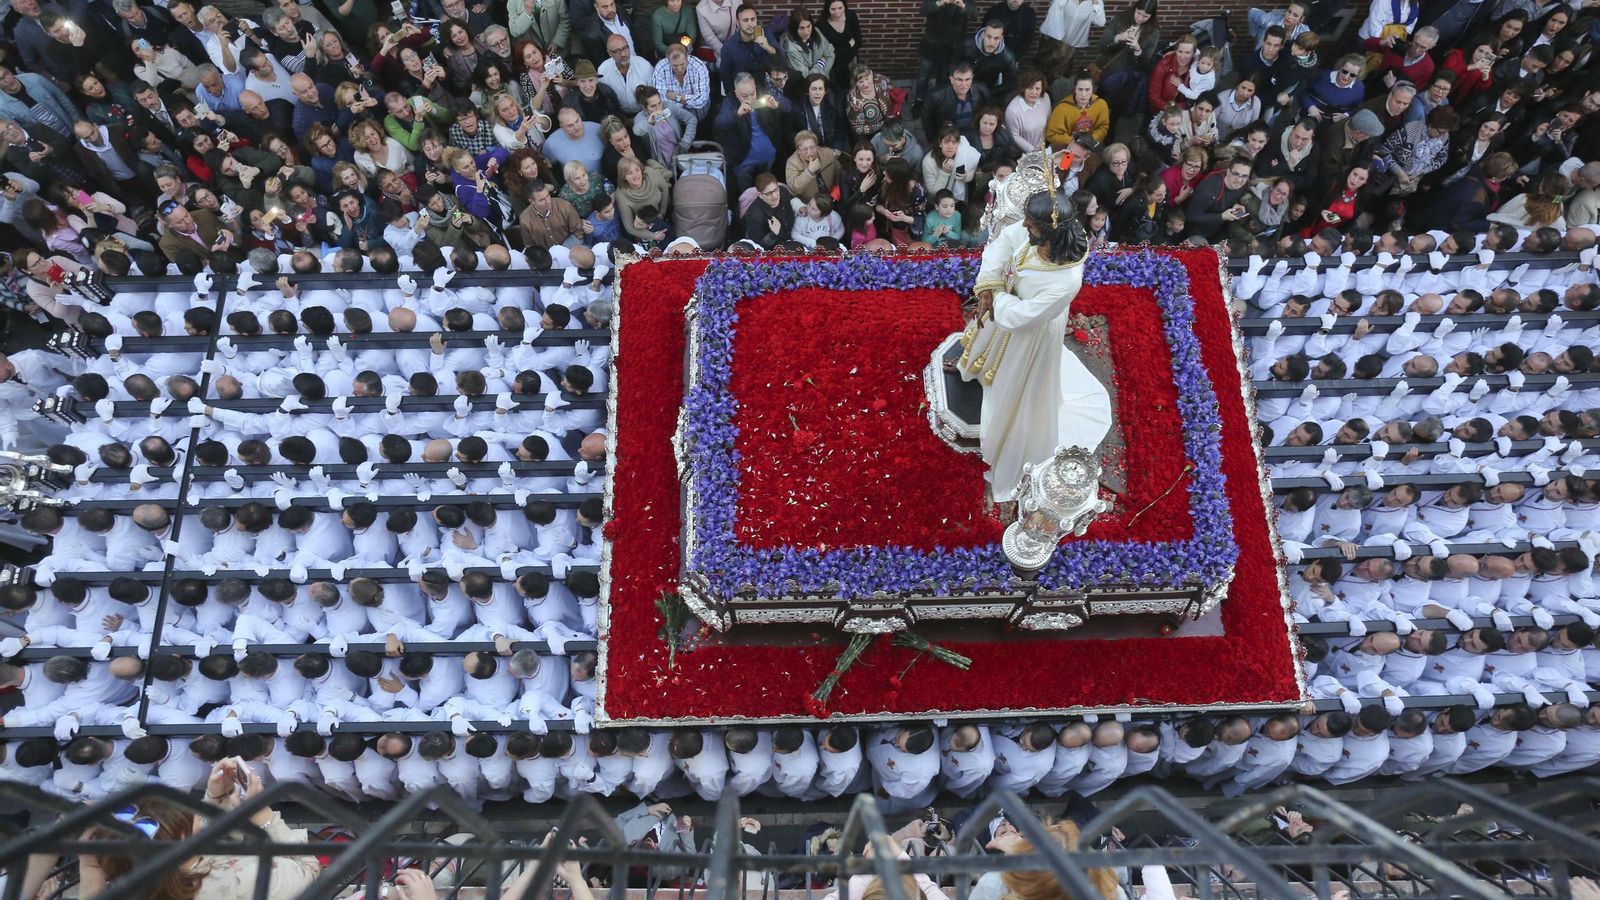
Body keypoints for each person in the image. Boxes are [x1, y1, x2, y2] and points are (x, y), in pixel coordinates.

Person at [956, 185, 1110, 501]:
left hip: (1032, 333)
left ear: (1052, 233)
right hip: (1005, 305)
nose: (1025, 227)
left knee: (1015, 389)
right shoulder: (1034, 233)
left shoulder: (1067, 281)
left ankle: (1009, 432)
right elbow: (1003, 242)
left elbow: (1023, 317)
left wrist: (996, 295)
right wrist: (989, 283)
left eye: (1031, 225)